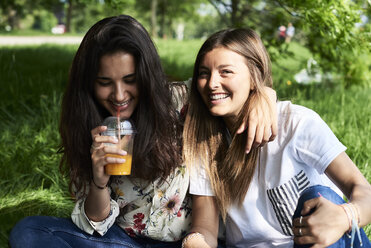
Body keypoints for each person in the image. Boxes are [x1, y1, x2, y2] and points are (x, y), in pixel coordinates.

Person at [9, 16, 277, 247]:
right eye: (105, 83)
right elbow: (95, 224)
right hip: (123, 241)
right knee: (29, 232)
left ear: (146, 76)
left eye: (130, 80)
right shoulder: (88, 124)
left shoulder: (181, 101)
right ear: (90, 84)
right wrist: (98, 182)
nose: (118, 95)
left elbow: (226, 88)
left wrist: (264, 94)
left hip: (190, 241)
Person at [182, 28, 371, 248]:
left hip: (319, 241)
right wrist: (195, 242)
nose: (212, 83)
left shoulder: (296, 123)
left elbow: (363, 189)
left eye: (226, 72)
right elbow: (205, 228)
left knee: (320, 196)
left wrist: (346, 215)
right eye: (204, 73)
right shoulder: (205, 144)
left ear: (254, 77)